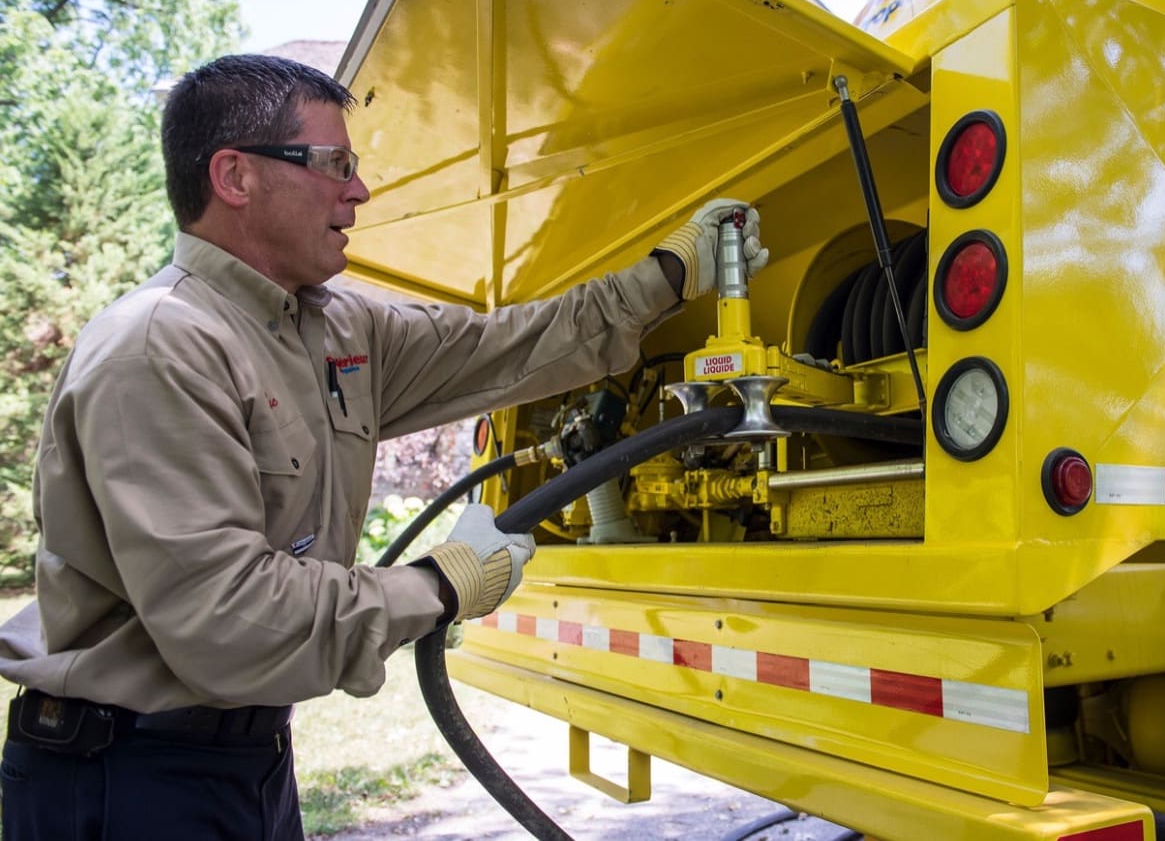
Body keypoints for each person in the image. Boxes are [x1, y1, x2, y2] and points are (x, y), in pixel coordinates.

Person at [0, 54, 767, 840]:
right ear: (235, 176)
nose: (359, 191)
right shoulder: (160, 346)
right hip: (125, 775)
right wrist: (439, 584)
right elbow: (227, 621)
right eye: (335, 165)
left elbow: (508, 345)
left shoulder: (335, 329)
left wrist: (668, 273)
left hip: (244, 757)